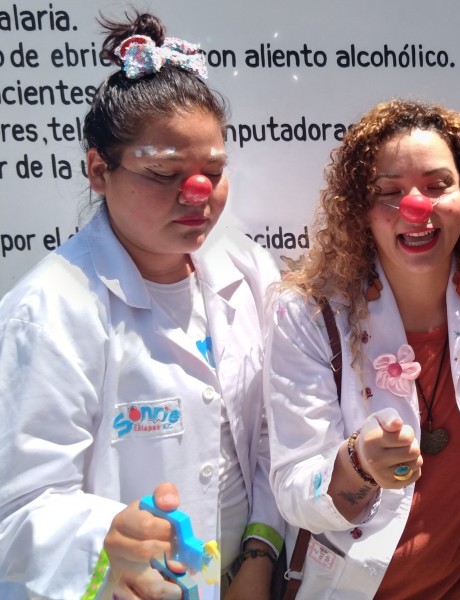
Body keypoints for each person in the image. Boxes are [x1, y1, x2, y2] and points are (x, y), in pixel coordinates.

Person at [0, 11, 283, 600]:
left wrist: (260, 551)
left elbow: (268, 433)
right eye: (164, 172)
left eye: (213, 171)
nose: (198, 196)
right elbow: (17, 510)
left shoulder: (248, 269)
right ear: (99, 169)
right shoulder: (50, 310)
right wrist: (106, 538)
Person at [266, 99, 460, 599]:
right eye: (388, 192)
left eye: (437, 186)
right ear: (360, 212)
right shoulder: (310, 314)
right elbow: (293, 492)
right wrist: (358, 464)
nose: (415, 207)